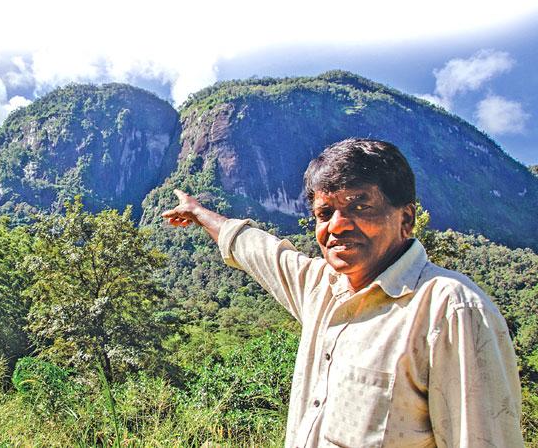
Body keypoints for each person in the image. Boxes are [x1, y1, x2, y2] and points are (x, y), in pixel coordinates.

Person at [162, 138, 523, 447]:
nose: (337, 225)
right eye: (325, 212)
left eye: (359, 206)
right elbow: (258, 250)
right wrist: (198, 212)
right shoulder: (321, 288)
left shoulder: (451, 311)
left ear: (406, 218)